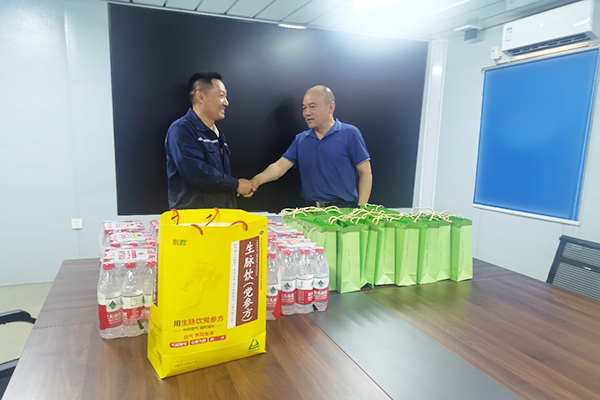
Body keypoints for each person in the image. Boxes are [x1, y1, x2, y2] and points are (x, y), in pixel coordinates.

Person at [250, 85, 372, 208]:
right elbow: (279, 167)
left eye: (312, 106)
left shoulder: (350, 133)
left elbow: (365, 172)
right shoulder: (301, 139)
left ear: (330, 107)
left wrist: (361, 208)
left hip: (343, 209)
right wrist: (256, 181)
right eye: (304, 108)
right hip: (309, 209)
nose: (307, 113)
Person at [165, 72, 253, 209]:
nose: (226, 103)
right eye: (221, 96)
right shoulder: (181, 130)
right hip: (194, 218)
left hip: (221, 214)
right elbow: (196, 174)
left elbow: (219, 177)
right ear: (200, 96)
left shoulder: (218, 134)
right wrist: (236, 185)